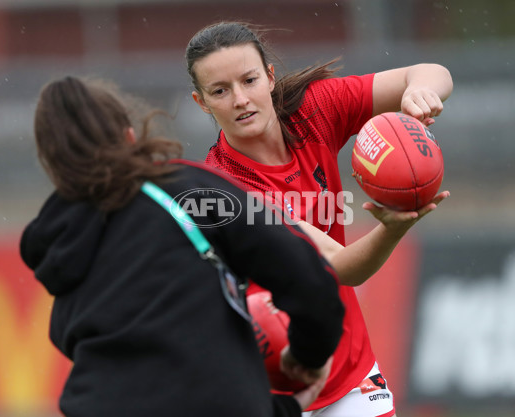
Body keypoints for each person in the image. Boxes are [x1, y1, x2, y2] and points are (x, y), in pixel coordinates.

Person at [19, 76, 346, 417]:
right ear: (129, 137)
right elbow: (307, 277)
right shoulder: (187, 192)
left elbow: (140, 383)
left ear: (55, 170)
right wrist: (308, 356)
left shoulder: (60, 252)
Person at [186, 21, 453, 416]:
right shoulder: (224, 188)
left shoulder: (312, 110)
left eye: (249, 80)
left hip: (350, 377)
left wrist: (418, 93)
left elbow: (434, 73)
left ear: (270, 77)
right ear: (202, 103)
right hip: (271, 392)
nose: (240, 99)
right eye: (220, 91)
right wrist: (393, 229)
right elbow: (338, 267)